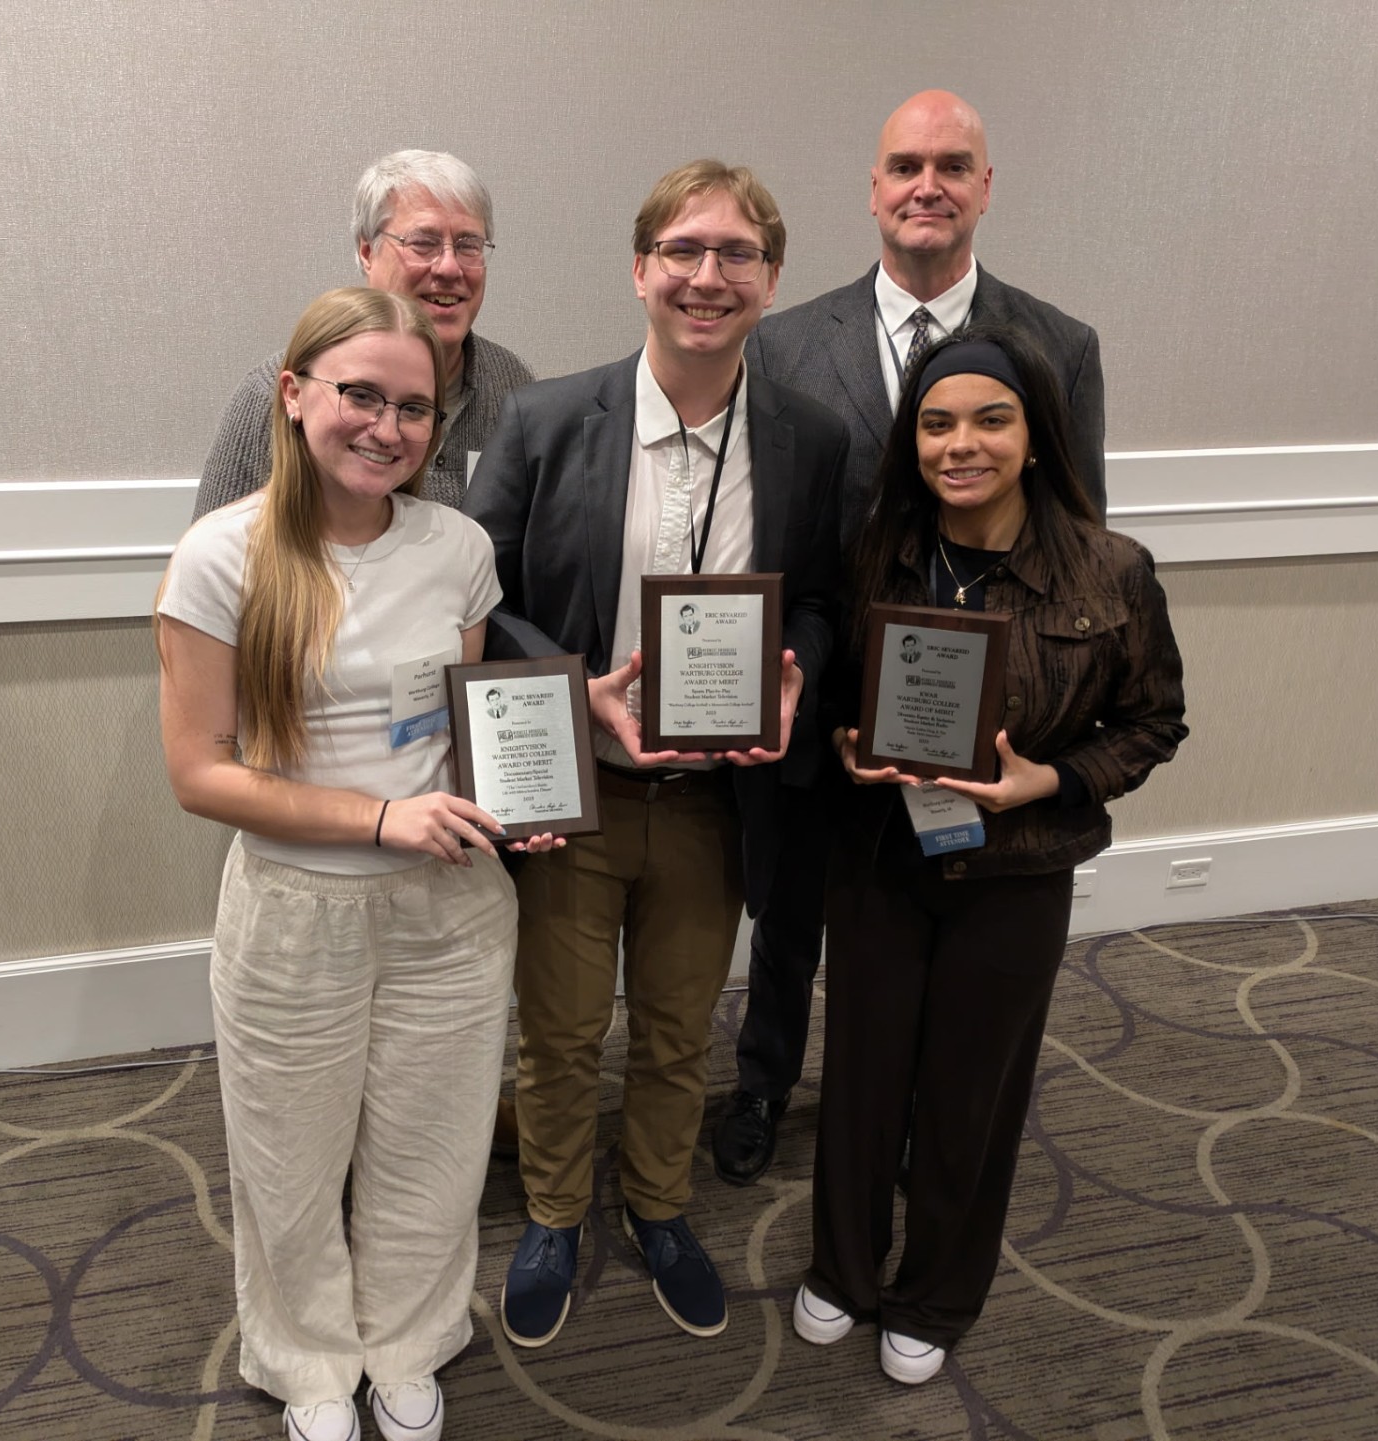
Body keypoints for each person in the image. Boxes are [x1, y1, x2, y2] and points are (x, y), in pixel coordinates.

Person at [158, 288, 553, 1441]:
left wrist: (554, 753)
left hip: (451, 909)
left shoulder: (460, 548)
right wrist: (378, 823)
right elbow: (199, 773)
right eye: (361, 396)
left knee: (431, 1143)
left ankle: (412, 1338)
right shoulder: (222, 556)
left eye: (416, 408)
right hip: (298, 912)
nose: (387, 427)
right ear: (295, 397)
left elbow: (464, 728)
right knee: (290, 1153)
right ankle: (312, 1361)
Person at [464, 160, 846, 1348]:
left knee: (683, 1028)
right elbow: (479, 595)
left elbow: (825, 601)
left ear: (771, 281)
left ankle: (662, 1206)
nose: (706, 276)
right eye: (683, 250)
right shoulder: (543, 418)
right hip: (578, 787)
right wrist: (580, 690)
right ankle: (557, 1212)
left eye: (736, 254)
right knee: (563, 1028)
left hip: (717, 801)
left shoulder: (811, 438)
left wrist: (798, 675)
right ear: (640, 271)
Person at [716, 88, 1110, 1186]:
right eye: (903, 165)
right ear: (874, 190)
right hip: (818, 691)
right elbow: (757, 529)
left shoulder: (1060, 345)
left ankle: (907, 1100)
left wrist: (1038, 715)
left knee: (935, 915)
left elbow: (1079, 537)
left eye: (951, 164)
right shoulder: (783, 343)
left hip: (970, 708)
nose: (925, 185)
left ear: (987, 186)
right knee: (789, 907)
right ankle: (762, 1078)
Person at [792, 328, 1185, 1385]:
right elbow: (833, 693)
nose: (960, 444)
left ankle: (935, 1291)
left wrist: (1045, 781)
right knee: (864, 1076)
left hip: (1016, 872)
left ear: (1036, 435)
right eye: (935, 422)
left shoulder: (1110, 571)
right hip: (882, 856)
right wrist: (841, 739)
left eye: (989, 418)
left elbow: (1154, 725)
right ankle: (841, 1266)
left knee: (973, 1089)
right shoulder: (876, 549)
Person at [193, 150, 535, 520]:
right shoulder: (277, 395)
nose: (450, 267)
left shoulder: (514, 390)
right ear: (367, 251)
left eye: (468, 245)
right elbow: (220, 556)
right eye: (424, 242)